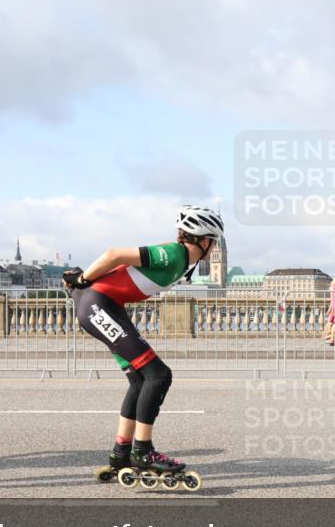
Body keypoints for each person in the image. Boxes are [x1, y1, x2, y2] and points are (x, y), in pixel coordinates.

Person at [63, 205, 224, 491]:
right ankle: (143, 450)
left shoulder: (183, 259)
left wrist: (83, 283)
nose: (214, 249)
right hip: (99, 306)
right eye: (214, 241)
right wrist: (82, 279)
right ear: (204, 239)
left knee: (139, 380)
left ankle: (121, 454)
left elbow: (120, 270)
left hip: (107, 306)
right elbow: (114, 254)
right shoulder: (175, 254)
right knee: (158, 375)